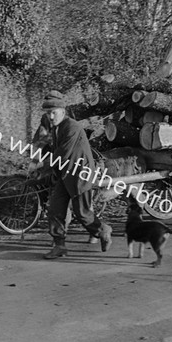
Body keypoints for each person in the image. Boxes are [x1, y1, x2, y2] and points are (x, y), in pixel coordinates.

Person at [34, 90, 112, 259]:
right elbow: (49, 148)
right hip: (66, 174)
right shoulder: (56, 128)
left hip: (80, 175)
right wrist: (37, 162)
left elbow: (62, 154)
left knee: (82, 213)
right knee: (55, 209)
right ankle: (59, 245)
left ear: (62, 111)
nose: (51, 117)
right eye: (48, 113)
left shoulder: (72, 127)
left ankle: (102, 230)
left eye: (53, 113)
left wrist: (41, 164)